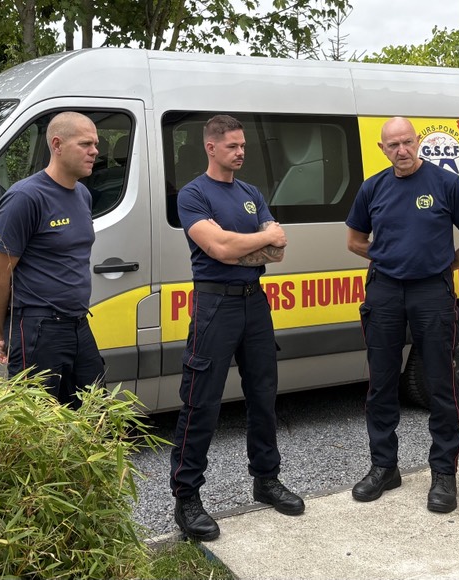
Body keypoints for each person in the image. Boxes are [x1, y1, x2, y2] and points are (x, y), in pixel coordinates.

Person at [345, 117, 459, 513]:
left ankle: (444, 474)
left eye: (408, 142)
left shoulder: (446, 184)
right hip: (385, 292)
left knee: (441, 385)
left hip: (432, 291)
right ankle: (383, 467)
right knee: (381, 384)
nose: (402, 151)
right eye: (393, 145)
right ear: (383, 149)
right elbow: (355, 241)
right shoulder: (372, 188)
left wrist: (443, 264)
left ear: (417, 142)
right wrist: (387, 257)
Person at [170, 114, 304, 542]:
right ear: (211, 148)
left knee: (263, 396)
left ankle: (266, 479)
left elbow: (277, 251)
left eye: (243, 145)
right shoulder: (193, 195)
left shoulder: (250, 193)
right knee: (201, 402)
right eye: (232, 146)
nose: (241, 151)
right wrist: (253, 242)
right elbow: (220, 249)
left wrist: (240, 245)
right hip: (214, 307)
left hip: (254, 306)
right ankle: (187, 497)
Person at [0, 111, 104, 409]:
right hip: (38, 329)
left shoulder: (82, 195)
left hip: (78, 325)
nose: (95, 151)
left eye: (96, 144)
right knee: (36, 427)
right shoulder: (25, 198)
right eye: (86, 144)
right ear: (57, 144)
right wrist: (5, 335)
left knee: (95, 414)